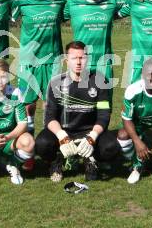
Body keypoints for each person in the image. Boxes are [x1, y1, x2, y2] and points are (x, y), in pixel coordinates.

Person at [35, 41, 120, 182]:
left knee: (110, 147)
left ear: (87, 59)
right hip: (65, 132)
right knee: (42, 144)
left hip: (89, 132)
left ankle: (90, 159)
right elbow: (49, 117)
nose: (79, 62)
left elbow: (104, 116)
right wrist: (61, 135)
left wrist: (92, 136)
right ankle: (57, 160)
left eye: (82, 57)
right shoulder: (56, 82)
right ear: (67, 60)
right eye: (74, 58)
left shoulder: (100, 81)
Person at [11, 0, 67, 144]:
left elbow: (72, 7)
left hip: (54, 60)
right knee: (28, 105)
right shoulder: (21, 0)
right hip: (29, 61)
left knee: (51, 105)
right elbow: (3, 8)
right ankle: (28, 147)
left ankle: (48, 144)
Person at [63, 0, 126, 84]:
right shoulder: (73, 3)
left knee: (104, 102)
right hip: (80, 62)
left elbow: (134, 1)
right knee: (79, 101)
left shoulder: (112, 1)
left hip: (104, 62)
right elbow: (55, 12)